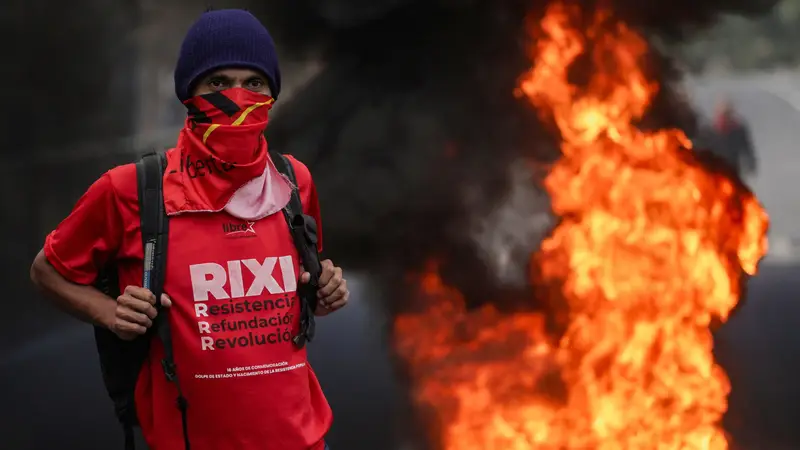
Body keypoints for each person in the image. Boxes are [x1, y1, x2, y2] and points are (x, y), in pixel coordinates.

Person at [29, 9, 348, 450]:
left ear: (272, 92)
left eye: (254, 82)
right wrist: (109, 313)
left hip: (304, 439)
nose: (238, 96)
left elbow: (302, 293)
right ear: (189, 93)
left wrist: (326, 290)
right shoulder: (130, 189)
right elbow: (47, 270)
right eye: (218, 83)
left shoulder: (294, 181)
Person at [710, 98, 758, 179]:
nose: (726, 117)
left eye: (728, 114)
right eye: (724, 114)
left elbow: (747, 148)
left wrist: (751, 164)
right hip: (717, 171)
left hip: (733, 168)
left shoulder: (738, 130)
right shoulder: (711, 131)